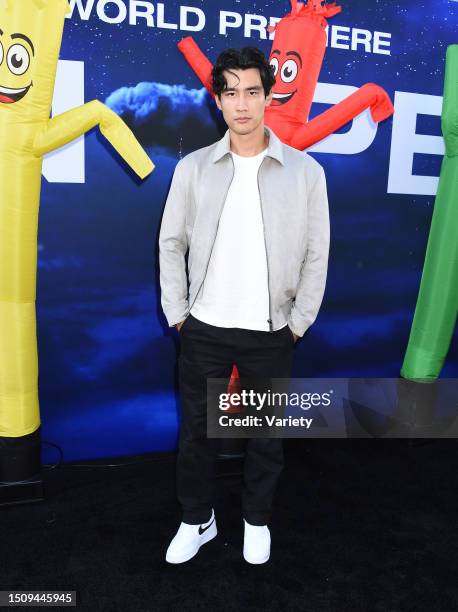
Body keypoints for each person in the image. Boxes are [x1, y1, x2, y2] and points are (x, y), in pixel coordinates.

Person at [159, 46, 330, 564]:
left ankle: (256, 521)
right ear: (218, 100)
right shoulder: (193, 169)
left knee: (264, 438)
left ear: (269, 95)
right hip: (204, 327)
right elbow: (171, 243)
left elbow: (317, 254)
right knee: (196, 435)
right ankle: (197, 520)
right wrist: (178, 313)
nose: (241, 104)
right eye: (230, 92)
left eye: (251, 91)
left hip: (271, 331)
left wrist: (298, 323)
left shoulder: (305, 172)